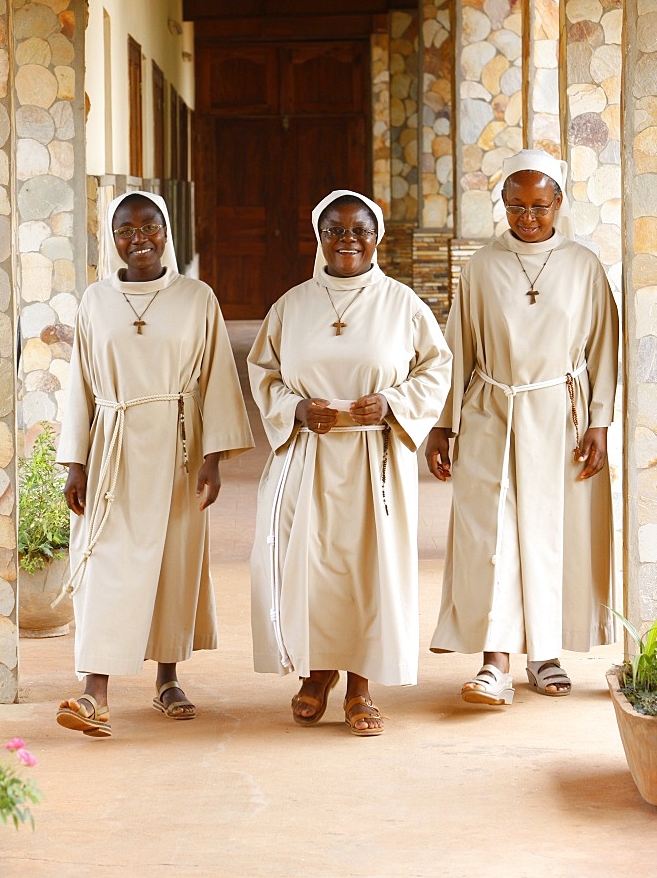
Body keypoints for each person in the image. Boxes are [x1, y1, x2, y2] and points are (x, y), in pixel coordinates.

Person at [248, 189, 452, 735]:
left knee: (370, 567)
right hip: (308, 455)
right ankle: (316, 675)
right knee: (310, 566)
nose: (348, 241)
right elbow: (262, 371)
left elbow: (436, 369)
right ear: (319, 237)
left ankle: (361, 686)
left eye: (359, 230)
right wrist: (294, 407)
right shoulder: (291, 306)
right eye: (335, 231)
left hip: (374, 455)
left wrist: (393, 404)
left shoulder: (403, 303)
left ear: (377, 237)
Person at [55, 191, 253, 737]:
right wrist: (75, 460)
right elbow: (81, 384)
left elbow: (216, 377)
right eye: (125, 229)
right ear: (111, 237)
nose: (138, 238)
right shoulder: (95, 301)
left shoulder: (196, 298)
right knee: (105, 562)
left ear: (168, 232)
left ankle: (167, 678)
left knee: (172, 562)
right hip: (114, 447)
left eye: (150, 226)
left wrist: (214, 458)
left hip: (178, 448)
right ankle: (94, 690)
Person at [426, 149, 619, 705]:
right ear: (502, 205)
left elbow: (604, 349)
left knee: (550, 533)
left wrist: (600, 422)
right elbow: (458, 348)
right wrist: (445, 425)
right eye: (515, 206)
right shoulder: (482, 265)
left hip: (561, 417)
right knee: (492, 535)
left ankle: (546, 653)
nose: (527, 217)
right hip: (492, 411)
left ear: (559, 201)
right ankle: (494, 662)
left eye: (539, 205)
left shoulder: (583, 265)